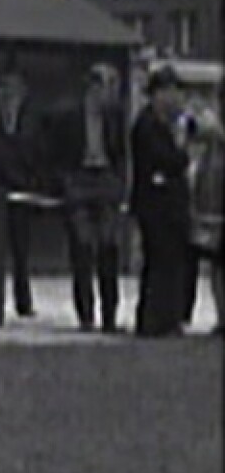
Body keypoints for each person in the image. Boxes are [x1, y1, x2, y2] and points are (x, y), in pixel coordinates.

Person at [42, 62, 128, 332]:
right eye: (108, 86)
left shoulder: (114, 117)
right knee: (81, 248)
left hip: (104, 179)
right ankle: (86, 314)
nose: (112, 93)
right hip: (78, 179)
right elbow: (52, 150)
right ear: (93, 88)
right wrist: (62, 181)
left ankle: (110, 315)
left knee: (109, 248)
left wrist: (118, 182)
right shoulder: (68, 116)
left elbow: (121, 153)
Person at [129, 65, 192, 337]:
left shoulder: (168, 125)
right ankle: (152, 320)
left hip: (173, 208)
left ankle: (170, 318)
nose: (175, 99)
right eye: (169, 92)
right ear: (156, 95)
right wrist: (180, 151)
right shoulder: (146, 126)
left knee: (174, 265)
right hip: (155, 208)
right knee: (158, 262)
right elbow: (165, 162)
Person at [0, 68, 44, 318]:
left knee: (21, 250)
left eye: (13, 90)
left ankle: (23, 301)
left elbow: (36, 152)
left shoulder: (31, 120)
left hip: (21, 188)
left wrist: (30, 181)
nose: (8, 95)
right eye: (3, 89)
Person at [185, 86, 224, 334]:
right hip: (214, 201)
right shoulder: (213, 128)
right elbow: (192, 132)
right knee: (218, 264)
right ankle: (222, 316)